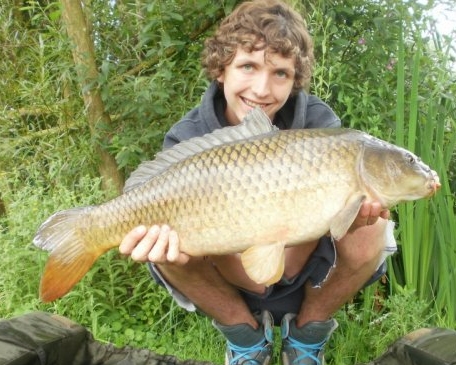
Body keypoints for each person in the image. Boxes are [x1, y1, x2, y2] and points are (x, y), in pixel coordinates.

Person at [119, 1, 394, 364]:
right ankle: (245, 339)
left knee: (374, 225)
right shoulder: (188, 136)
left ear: (294, 80)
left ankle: (307, 337)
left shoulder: (319, 123)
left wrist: (352, 216)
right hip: (224, 271)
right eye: (248, 66)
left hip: (305, 267)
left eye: (279, 73)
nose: (262, 89)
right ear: (221, 69)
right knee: (165, 249)